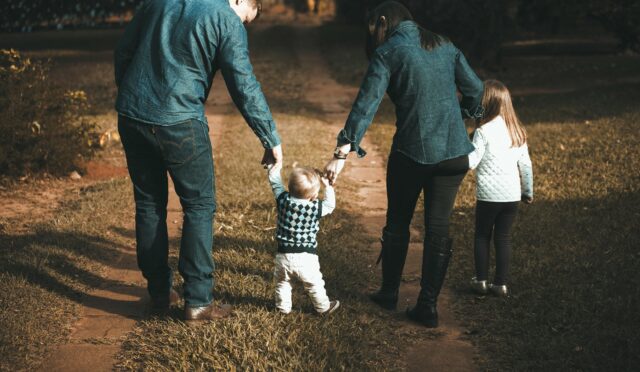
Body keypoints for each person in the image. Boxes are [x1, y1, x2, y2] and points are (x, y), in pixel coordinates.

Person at [114, 0, 283, 321]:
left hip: (132, 114)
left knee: (149, 203)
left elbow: (123, 50)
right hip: (180, 122)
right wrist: (270, 137)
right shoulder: (226, 19)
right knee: (199, 205)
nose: (242, 26)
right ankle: (199, 300)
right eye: (246, 18)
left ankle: (159, 293)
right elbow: (243, 85)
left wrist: (130, 94)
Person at [324, 1, 484, 328]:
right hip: (454, 155)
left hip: (412, 154)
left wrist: (341, 154)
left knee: (398, 222)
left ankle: (388, 293)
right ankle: (427, 306)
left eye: (375, 30)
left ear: (383, 22)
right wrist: (465, 116)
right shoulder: (445, 44)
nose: (375, 37)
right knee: (438, 228)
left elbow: (364, 107)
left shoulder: (389, 52)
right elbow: (477, 90)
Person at [468, 80, 534, 297]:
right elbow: (525, 165)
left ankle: (481, 281)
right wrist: (527, 191)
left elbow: (472, 162)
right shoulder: (517, 132)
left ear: (486, 103)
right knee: (503, 237)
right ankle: (501, 284)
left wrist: (462, 149)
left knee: (482, 236)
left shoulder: (483, 132)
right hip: (512, 196)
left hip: (489, 196)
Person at [267, 165, 340, 315]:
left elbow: (275, 183)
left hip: (283, 256)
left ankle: (283, 309)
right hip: (307, 257)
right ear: (313, 196)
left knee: (282, 283)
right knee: (314, 284)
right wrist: (328, 187)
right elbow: (330, 205)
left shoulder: (283, 200)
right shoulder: (315, 207)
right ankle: (323, 307)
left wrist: (273, 168)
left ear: (290, 187)